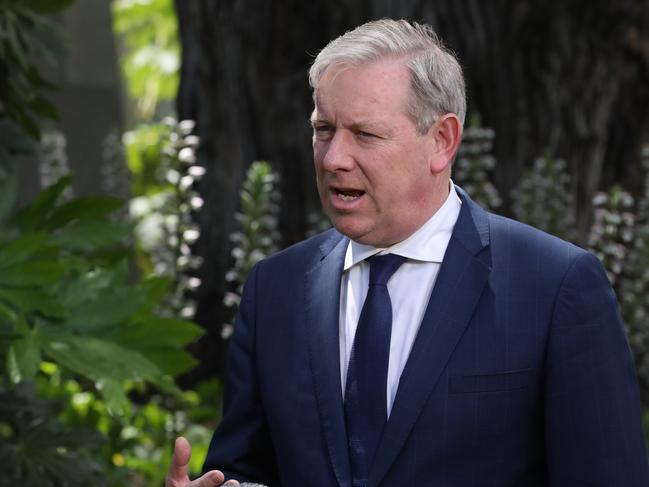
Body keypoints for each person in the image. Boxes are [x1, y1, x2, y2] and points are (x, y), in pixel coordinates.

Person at [165, 19, 649, 487]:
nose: (334, 158)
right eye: (324, 129)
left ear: (442, 140)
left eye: (365, 134)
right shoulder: (276, 287)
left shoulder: (554, 285)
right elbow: (245, 469)